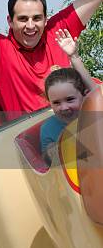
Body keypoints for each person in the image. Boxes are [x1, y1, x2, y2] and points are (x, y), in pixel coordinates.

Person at [40, 29, 98, 162]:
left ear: (84, 95)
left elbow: (95, 94)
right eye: (56, 103)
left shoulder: (93, 113)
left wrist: (74, 57)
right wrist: (56, 150)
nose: (64, 107)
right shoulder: (48, 129)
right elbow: (48, 160)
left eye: (70, 99)